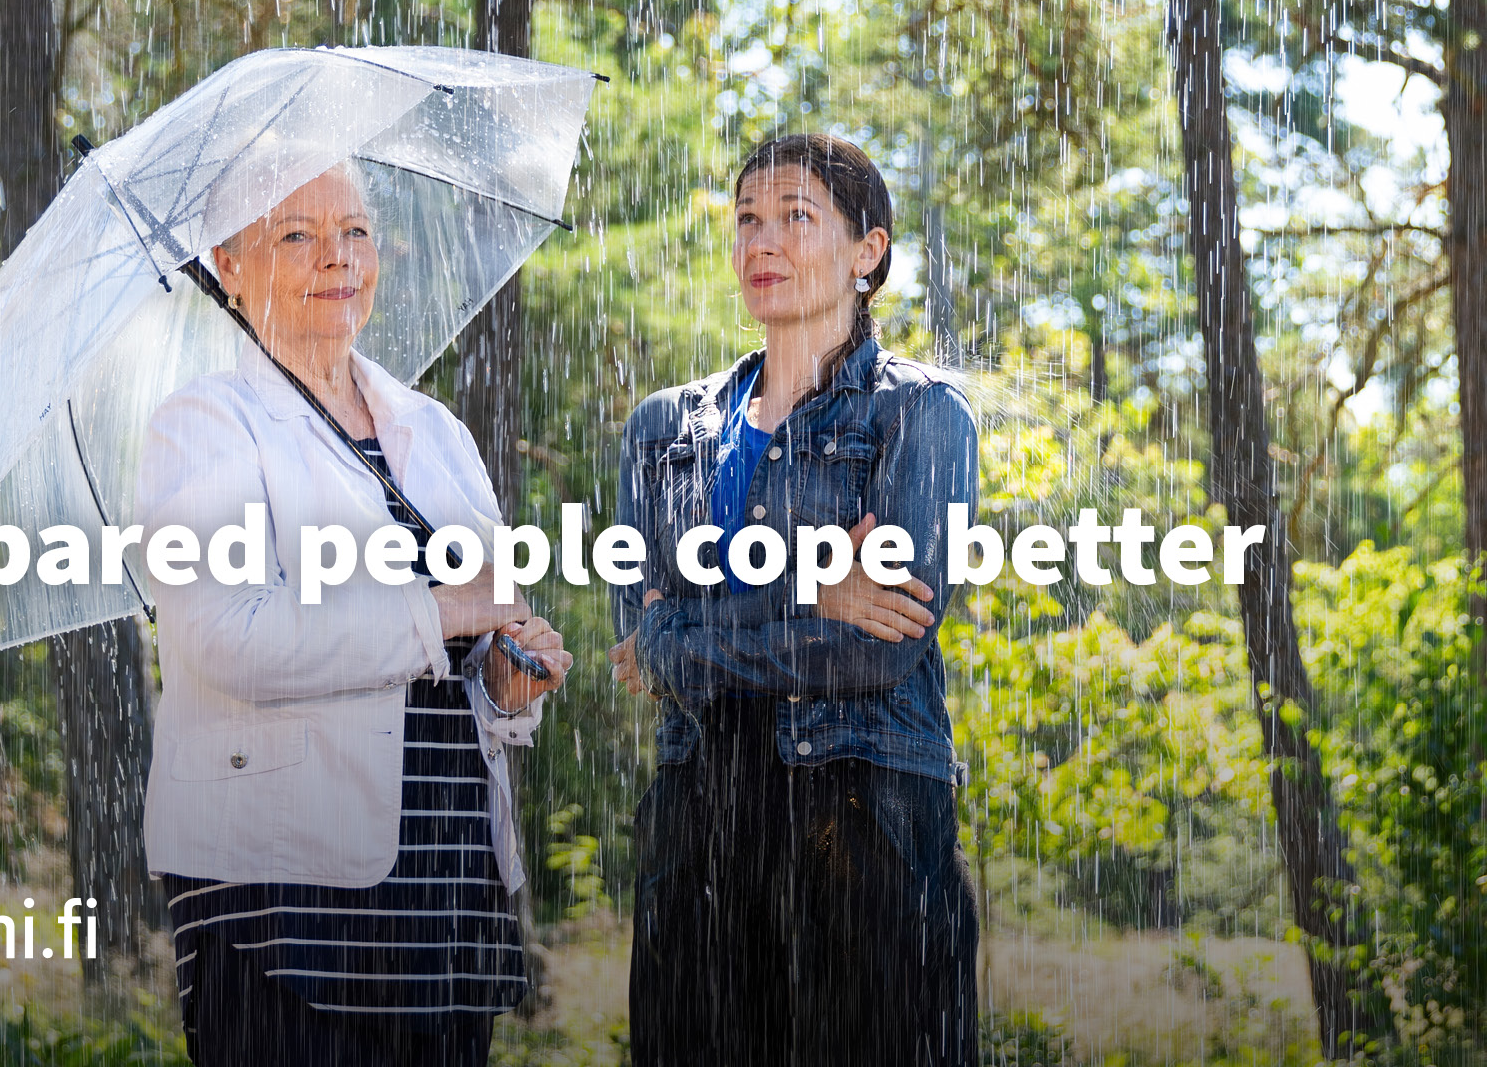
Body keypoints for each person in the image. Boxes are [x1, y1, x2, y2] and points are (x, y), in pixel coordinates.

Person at [136, 164, 574, 1067]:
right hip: (280, 885)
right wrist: (442, 609)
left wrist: (502, 676)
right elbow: (225, 638)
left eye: (356, 231)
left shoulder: (434, 429)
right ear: (227, 265)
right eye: (296, 235)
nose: (338, 258)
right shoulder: (202, 427)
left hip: (443, 874)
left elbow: (465, 644)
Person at [609, 134, 981, 1066]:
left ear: (870, 252)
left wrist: (692, 629)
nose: (760, 243)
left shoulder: (919, 415)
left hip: (866, 821)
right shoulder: (664, 430)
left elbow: (881, 648)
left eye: (795, 218)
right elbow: (636, 643)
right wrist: (815, 588)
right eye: (746, 221)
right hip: (697, 821)